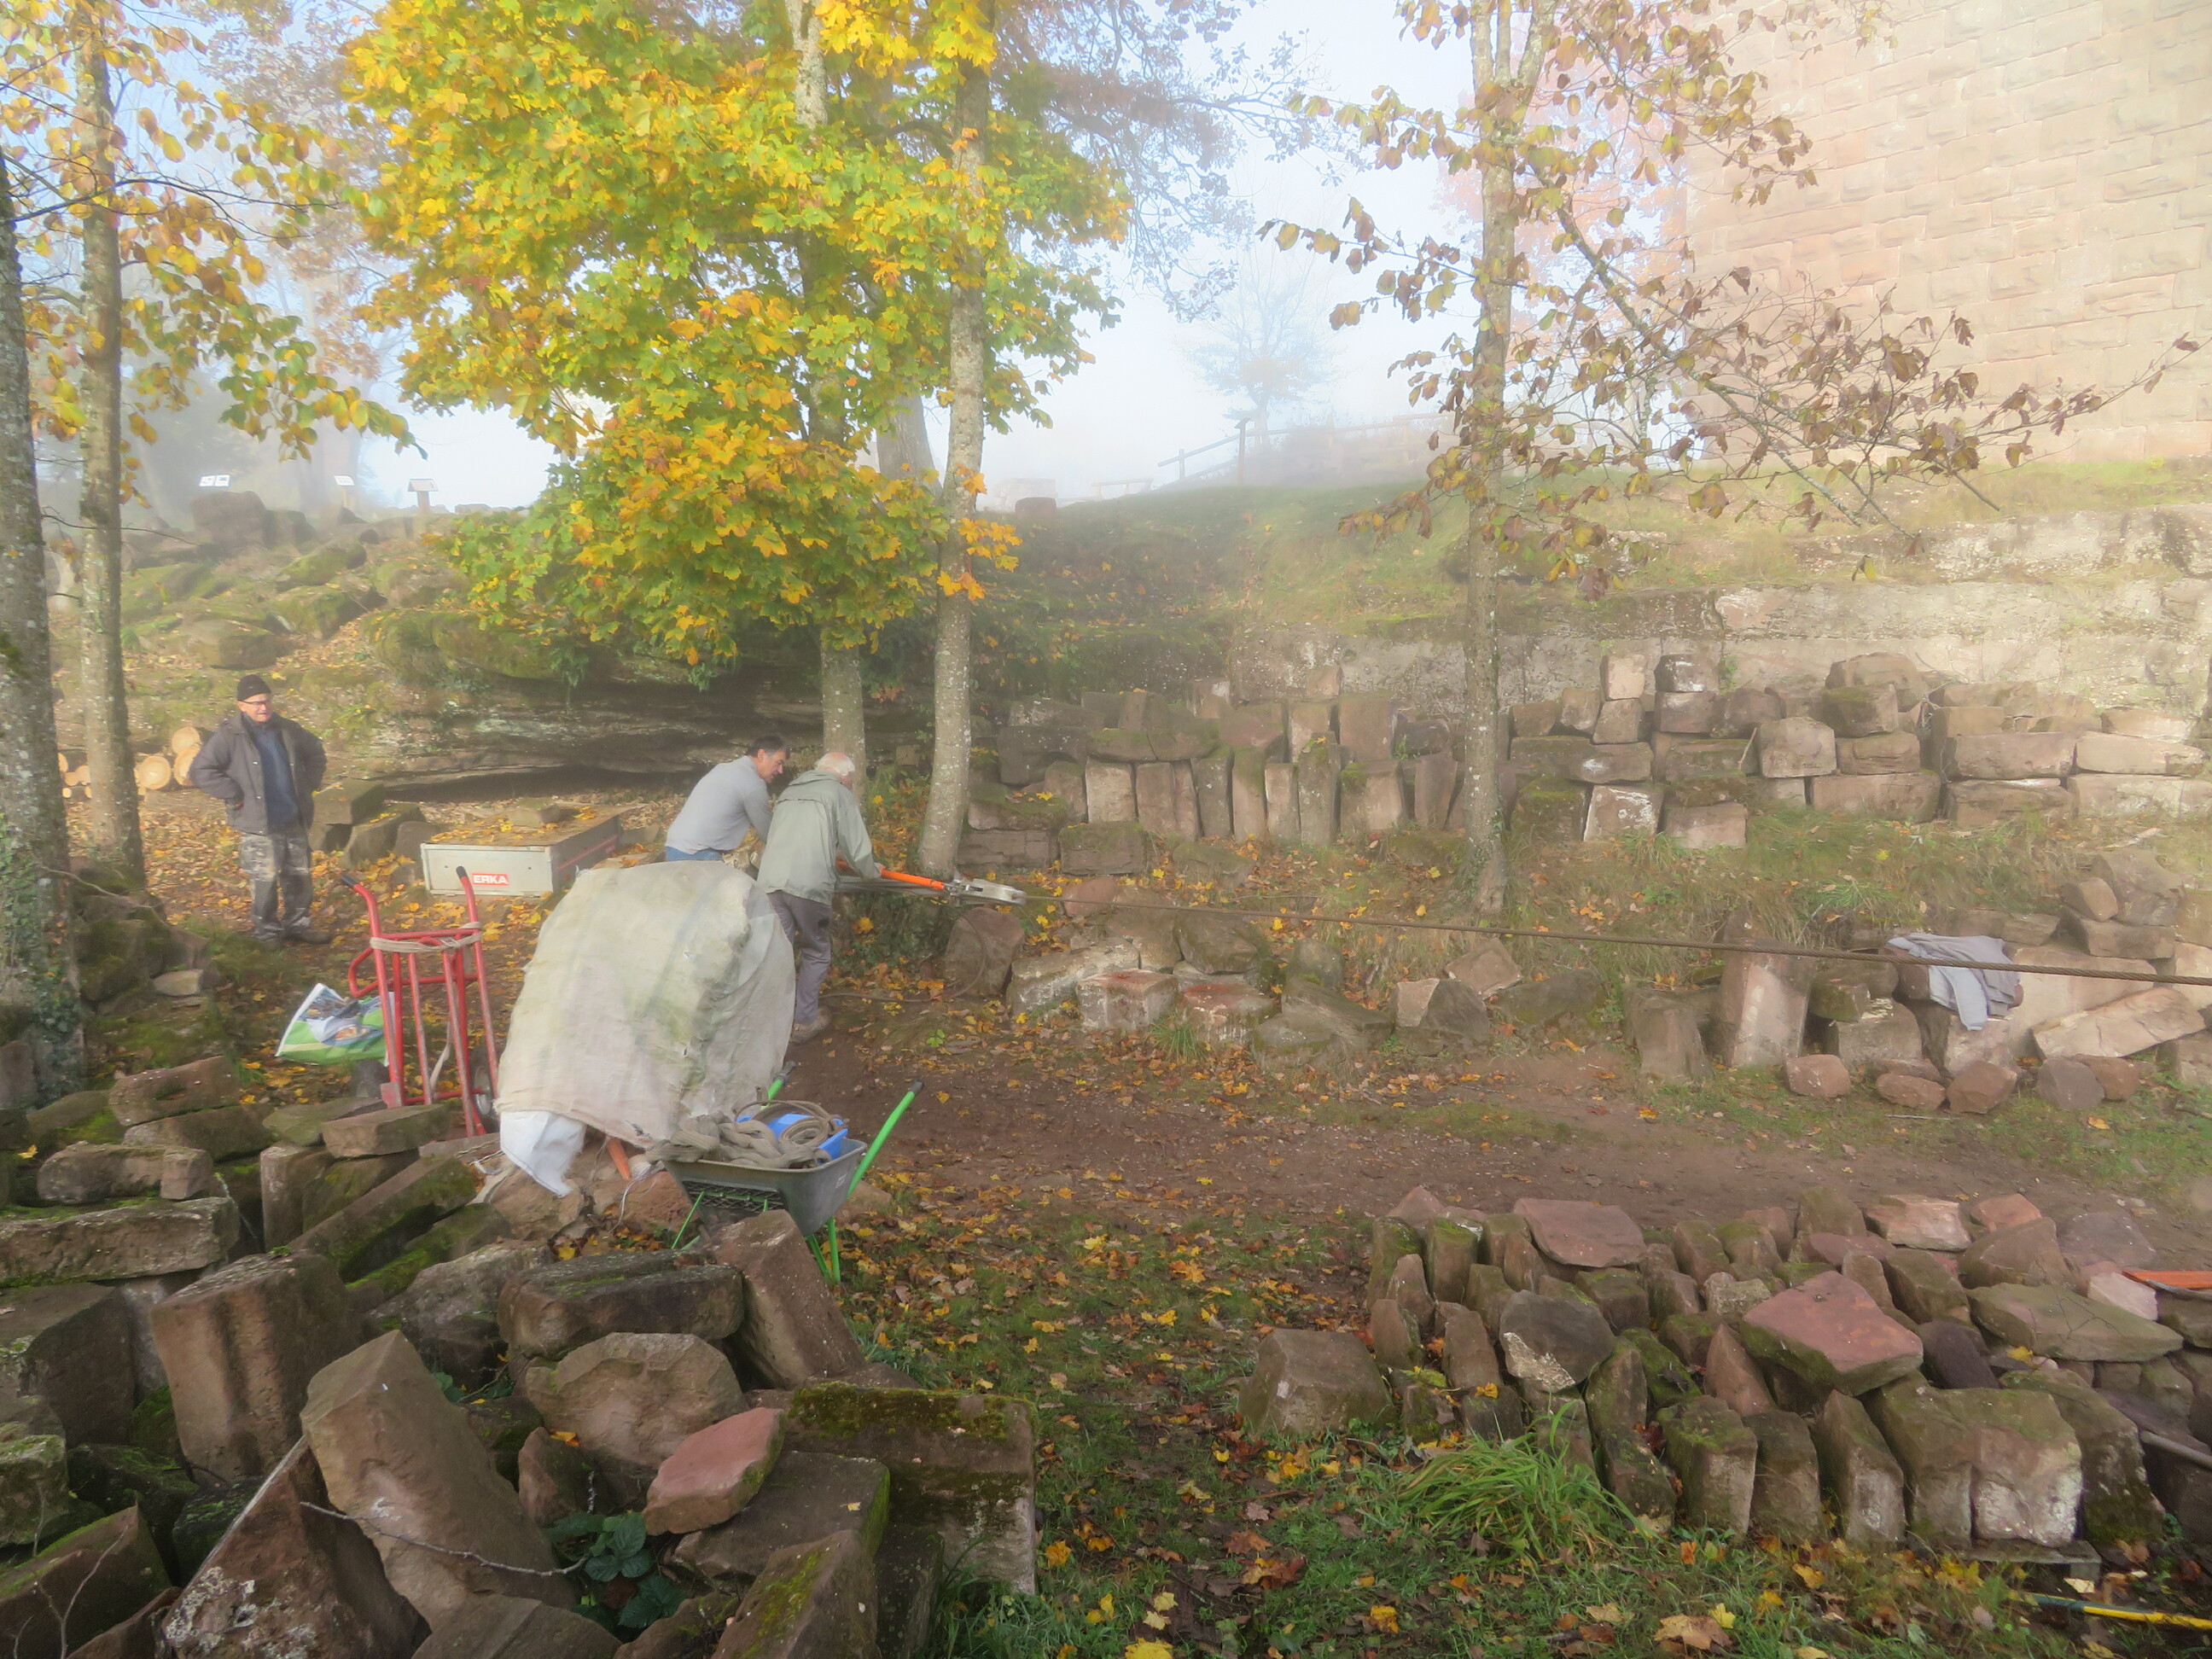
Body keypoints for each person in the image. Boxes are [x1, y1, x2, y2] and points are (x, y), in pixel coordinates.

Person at [187, 674, 330, 944]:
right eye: (256, 703)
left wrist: (308, 784)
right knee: (264, 880)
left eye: (266, 701)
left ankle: (298, 925)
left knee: (299, 875)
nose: (263, 708)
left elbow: (316, 754)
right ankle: (267, 932)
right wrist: (235, 794)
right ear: (241, 705)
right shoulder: (229, 736)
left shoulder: (288, 729)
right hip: (258, 823)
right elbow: (200, 770)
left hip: (293, 816)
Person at [755, 751, 879, 1044]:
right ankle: (804, 1021)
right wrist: (871, 872)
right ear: (844, 776)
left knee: (778, 953)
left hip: (770, 883)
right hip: (808, 887)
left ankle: (770, 1022)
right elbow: (856, 846)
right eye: (850, 781)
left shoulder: (789, 792)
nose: (849, 785)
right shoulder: (838, 793)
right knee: (815, 950)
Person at [664, 735, 788, 864]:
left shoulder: (723, 769)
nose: (781, 770)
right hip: (698, 853)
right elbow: (770, 834)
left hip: (675, 846)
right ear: (761, 755)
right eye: (778, 763)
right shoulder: (752, 783)